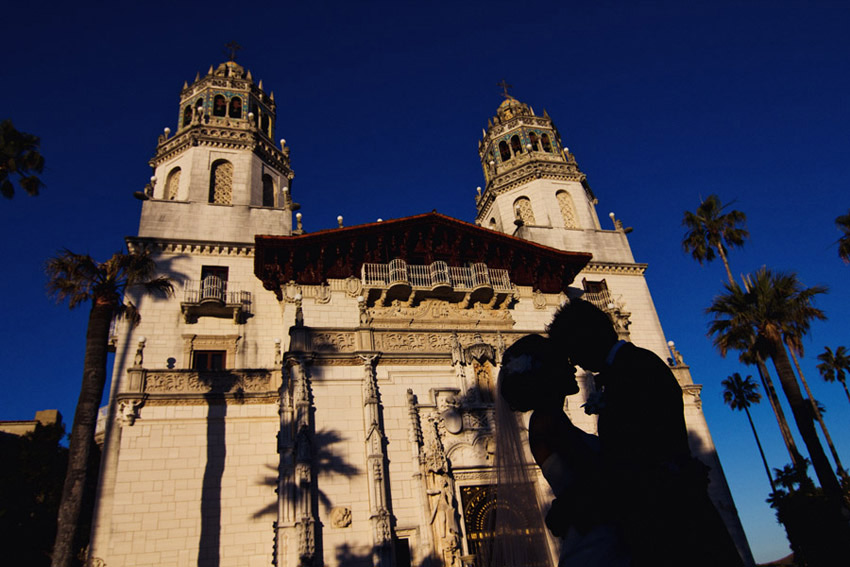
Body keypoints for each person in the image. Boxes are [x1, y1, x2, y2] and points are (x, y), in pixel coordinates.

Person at [546, 299, 745, 567]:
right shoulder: (630, 366)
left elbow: (634, 460)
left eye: (573, 350)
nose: (576, 362)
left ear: (586, 337)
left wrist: (577, 503)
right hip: (664, 516)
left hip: (673, 522)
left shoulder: (634, 369)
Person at [497, 334, 631, 567]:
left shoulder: (549, 419)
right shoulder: (547, 421)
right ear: (547, 372)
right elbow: (599, 476)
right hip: (597, 541)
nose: (572, 366)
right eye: (562, 361)